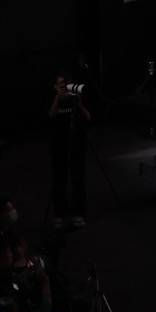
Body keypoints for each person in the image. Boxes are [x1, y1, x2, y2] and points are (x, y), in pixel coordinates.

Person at [47, 62, 94, 230]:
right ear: (55, 87)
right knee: (59, 180)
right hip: (59, 145)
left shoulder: (75, 99)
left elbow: (88, 118)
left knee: (78, 179)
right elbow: (50, 116)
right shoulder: (54, 99)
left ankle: (78, 213)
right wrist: (57, 99)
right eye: (60, 85)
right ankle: (59, 214)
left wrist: (79, 104)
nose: (64, 88)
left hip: (77, 144)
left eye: (65, 84)